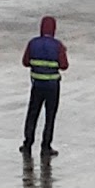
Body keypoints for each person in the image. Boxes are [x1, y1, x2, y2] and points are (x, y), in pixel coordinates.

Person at [19, 15, 68, 157]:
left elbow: (25, 62)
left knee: (32, 114)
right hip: (52, 86)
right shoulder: (58, 45)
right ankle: (46, 146)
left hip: (37, 85)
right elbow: (64, 65)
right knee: (50, 116)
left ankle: (27, 143)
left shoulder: (33, 43)